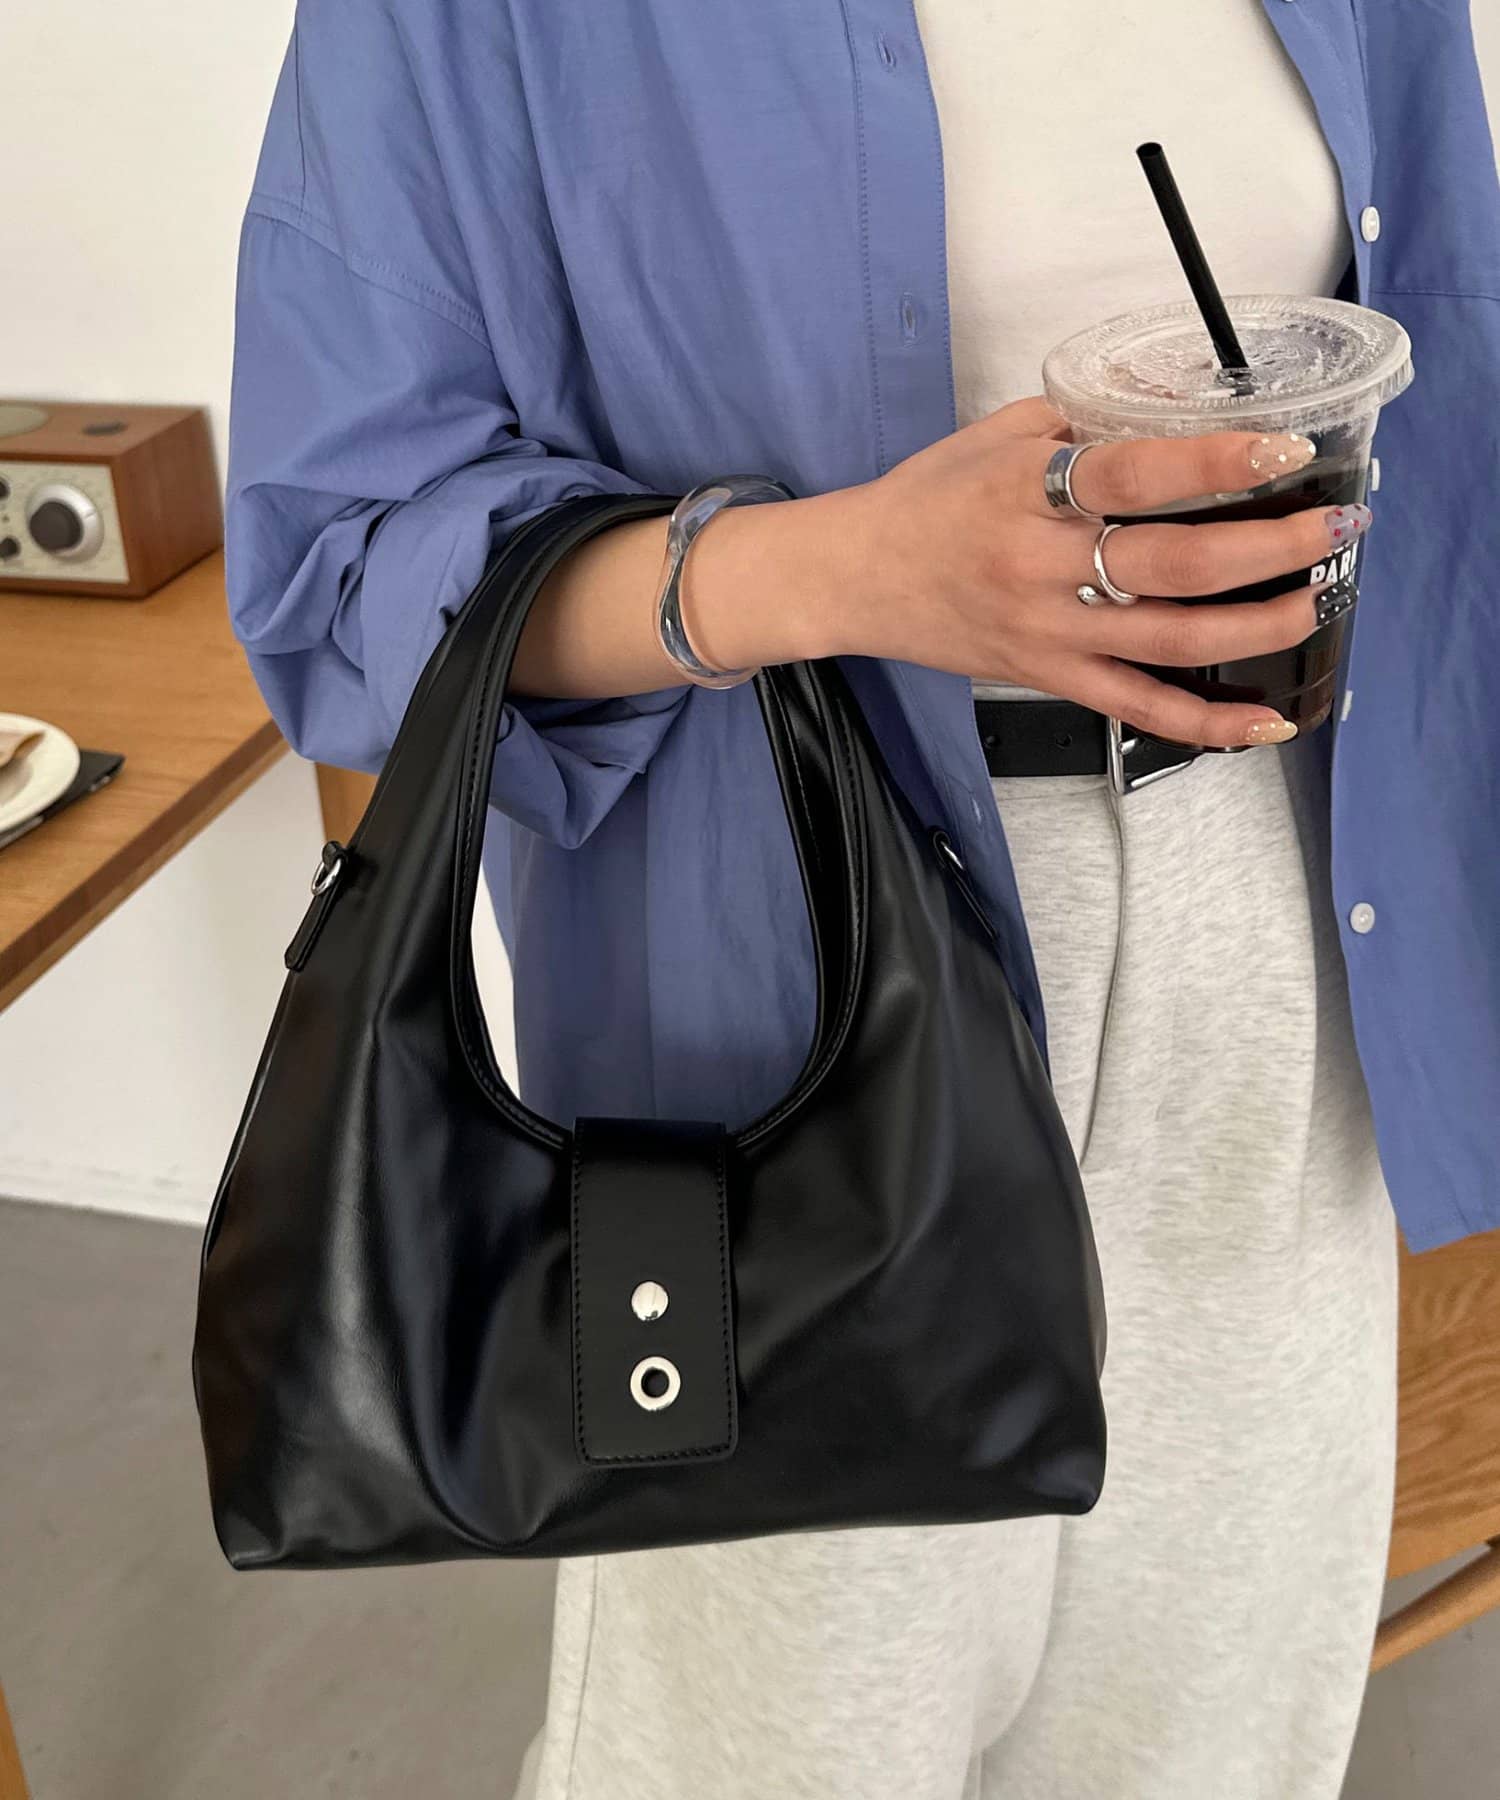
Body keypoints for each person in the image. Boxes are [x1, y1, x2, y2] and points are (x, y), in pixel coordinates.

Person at [223, 3, 1500, 1795]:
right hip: (777, 988)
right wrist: (842, 568)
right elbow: (336, 572)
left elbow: (1451, 414)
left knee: (1205, 1747)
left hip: (1278, 941)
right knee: (778, 1751)